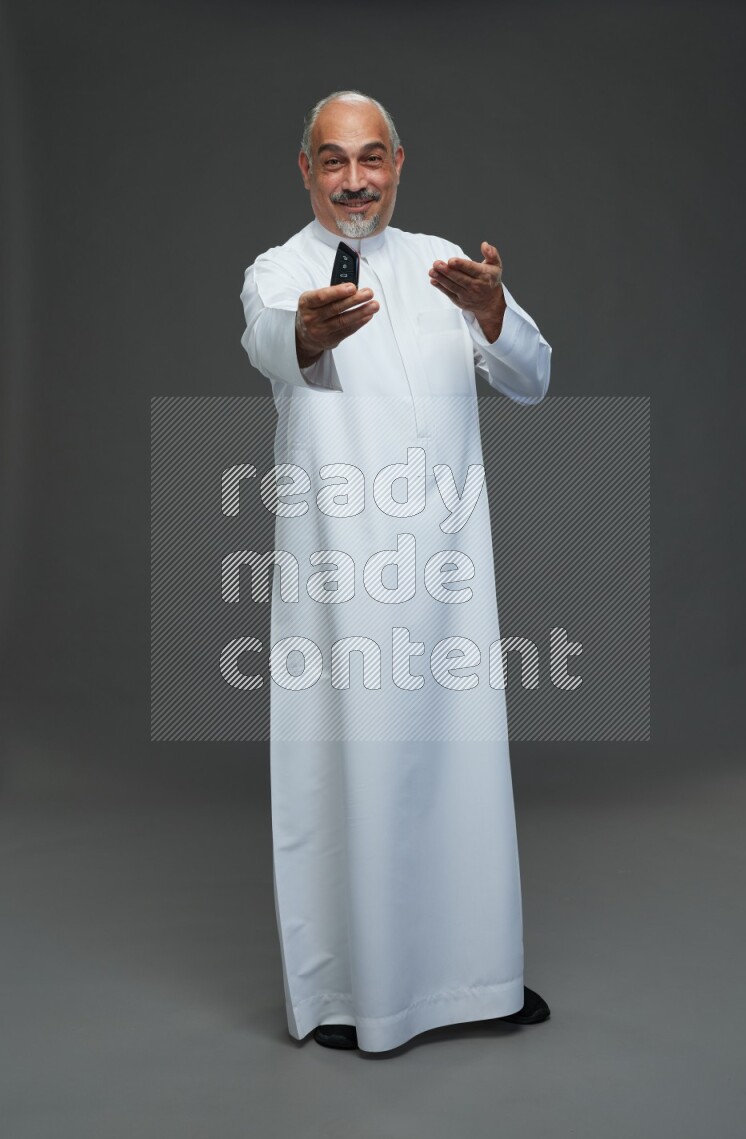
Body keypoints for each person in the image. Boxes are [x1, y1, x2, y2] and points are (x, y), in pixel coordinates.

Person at [239, 91, 553, 1053]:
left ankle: (479, 979)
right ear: (305, 171)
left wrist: (495, 312)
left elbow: (532, 377)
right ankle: (357, 995)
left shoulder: (440, 262)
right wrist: (311, 333)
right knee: (352, 770)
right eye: (332, 161)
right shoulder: (279, 270)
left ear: (399, 162)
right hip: (343, 578)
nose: (354, 180)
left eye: (370, 158)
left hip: (450, 573)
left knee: (459, 770)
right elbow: (267, 341)